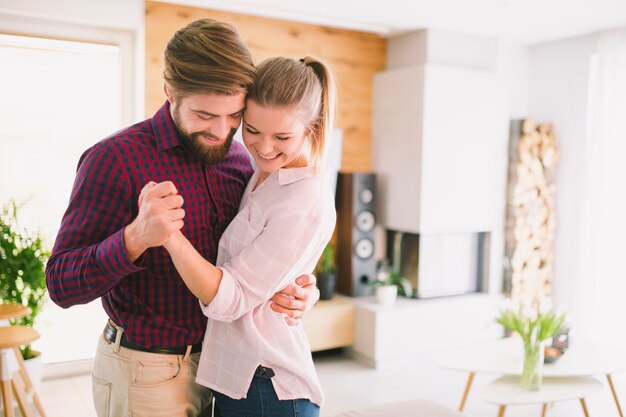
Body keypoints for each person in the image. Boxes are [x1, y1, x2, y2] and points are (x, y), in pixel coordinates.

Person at [45, 19, 320, 417]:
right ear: (169, 91)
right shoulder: (114, 159)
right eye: (206, 115)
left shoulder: (242, 161)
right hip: (146, 370)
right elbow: (60, 283)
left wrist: (301, 291)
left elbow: (248, 265)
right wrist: (134, 238)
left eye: (234, 117)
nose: (221, 130)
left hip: (223, 369)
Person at [146, 55, 337, 417]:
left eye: (282, 136)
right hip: (240, 380)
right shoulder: (263, 172)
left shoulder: (303, 197)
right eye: (251, 129)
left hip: (269, 389)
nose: (263, 147)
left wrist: (169, 235)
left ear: (311, 128)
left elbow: (231, 299)